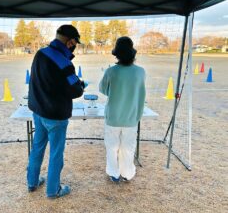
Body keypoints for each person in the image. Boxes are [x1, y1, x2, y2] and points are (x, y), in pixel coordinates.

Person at [27, 25, 86, 198]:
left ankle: (32, 182)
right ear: (70, 42)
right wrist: (81, 84)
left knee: (37, 147)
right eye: (75, 43)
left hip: (38, 111)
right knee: (56, 153)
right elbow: (75, 90)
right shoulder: (64, 63)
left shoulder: (40, 53)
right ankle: (53, 190)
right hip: (55, 116)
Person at [99, 36, 146, 183]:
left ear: (117, 54)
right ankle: (127, 173)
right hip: (132, 116)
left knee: (112, 147)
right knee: (128, 147)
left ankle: (114, 173)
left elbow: (103, 90)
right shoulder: (140, 72)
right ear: (133, 53)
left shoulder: (111, 71)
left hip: (113, 116)